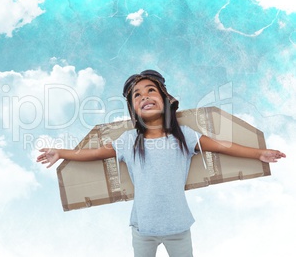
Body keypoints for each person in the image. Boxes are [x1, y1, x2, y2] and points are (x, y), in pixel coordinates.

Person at [36, 70, 286, 257]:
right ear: (133, 111)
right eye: (137, 95)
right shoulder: (129, 140)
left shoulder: (185, 136)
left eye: (150, 90)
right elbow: (95, 153)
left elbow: (222, 146)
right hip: (143, 229)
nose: (144, 96)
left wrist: (258, 154)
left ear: (166, 99)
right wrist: (61, 152)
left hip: (179, 227)